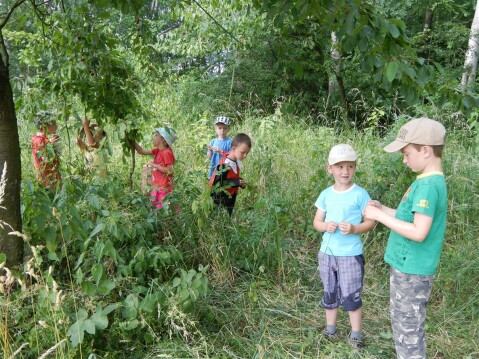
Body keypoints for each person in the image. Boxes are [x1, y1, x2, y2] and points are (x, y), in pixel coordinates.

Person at [363, 117, 447, 359]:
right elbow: (409, 219)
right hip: (407, 267)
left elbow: (419, 232)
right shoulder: (425, 182)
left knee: (407, 330)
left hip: (412, 270)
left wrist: (378, 216)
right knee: (405, 324)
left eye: (407, 153)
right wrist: (384, 209)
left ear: (426, 150)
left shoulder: (428, 186)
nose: (404, 159)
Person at [312, 144, 376, 350]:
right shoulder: (326, 194)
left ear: (355, 168)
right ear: (329, 168)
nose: (345, 171)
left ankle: (355, 334)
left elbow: (371, 222)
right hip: (327, 253)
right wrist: (325, 226)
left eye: (350, 166)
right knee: (329, 292)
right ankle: (330, 330)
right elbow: (316, 222)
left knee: (351, 295)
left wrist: (355, 228)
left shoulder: (360, 194)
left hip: (350, 255)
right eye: (340, 167)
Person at [134, 127, 177, 209]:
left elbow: (170, 170)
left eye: (156, 135)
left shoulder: (167, 153)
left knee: (164, 210)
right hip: (156, 187)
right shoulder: (158, 151)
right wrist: (132, 140)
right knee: (155, 209)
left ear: (163, 140)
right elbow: (141, 151)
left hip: (164, 189)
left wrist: (154, 165)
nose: (153, 136)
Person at [210, 133, 251, 216]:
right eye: (243, 152)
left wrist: (240, 182)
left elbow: (231, 176)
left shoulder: (236, 161)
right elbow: (217, 184)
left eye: (247, 153)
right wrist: (236, 182)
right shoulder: (225, 164)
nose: (245, 156)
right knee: (220, 219)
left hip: (230, 196)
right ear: (234, 148)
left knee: (227, 217)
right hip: (220, 199)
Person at [31, 111, 62, 189]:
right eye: (54, 124)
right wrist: (49, 144)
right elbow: (43, 156)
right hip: (46, 176)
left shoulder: (45, 139)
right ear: (45, 126)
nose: (56, 126)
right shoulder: (38, 139)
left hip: (53, 173)